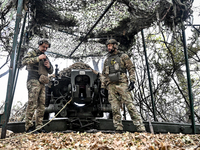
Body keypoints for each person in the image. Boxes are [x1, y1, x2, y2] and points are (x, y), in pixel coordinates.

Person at [101, 39, 146, 132]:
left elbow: (131, 68)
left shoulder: (123, 56)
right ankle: (118, 128)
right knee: (115, 108)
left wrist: (132, 81)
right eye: (108, 46)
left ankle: (140, 127)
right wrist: (103, 87)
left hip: (122, 84)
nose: (108, 47)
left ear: (115, 46)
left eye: (110, 45)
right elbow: (104, 75)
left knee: (130, 105)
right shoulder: (107, 60)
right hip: (111, 86)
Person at [22, 39, 53, 133]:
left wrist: (48, 66)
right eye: (43, 46)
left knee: (41, 105)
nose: (45, 49)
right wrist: (38, 58)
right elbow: (24, 61)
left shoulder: (46, 57)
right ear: (39, 45)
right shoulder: (33, 53)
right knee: (32, 103)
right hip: (33, 80)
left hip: (42, 82)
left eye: (46, 47)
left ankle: (39, 126)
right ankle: (28, 127)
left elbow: (51, 71)